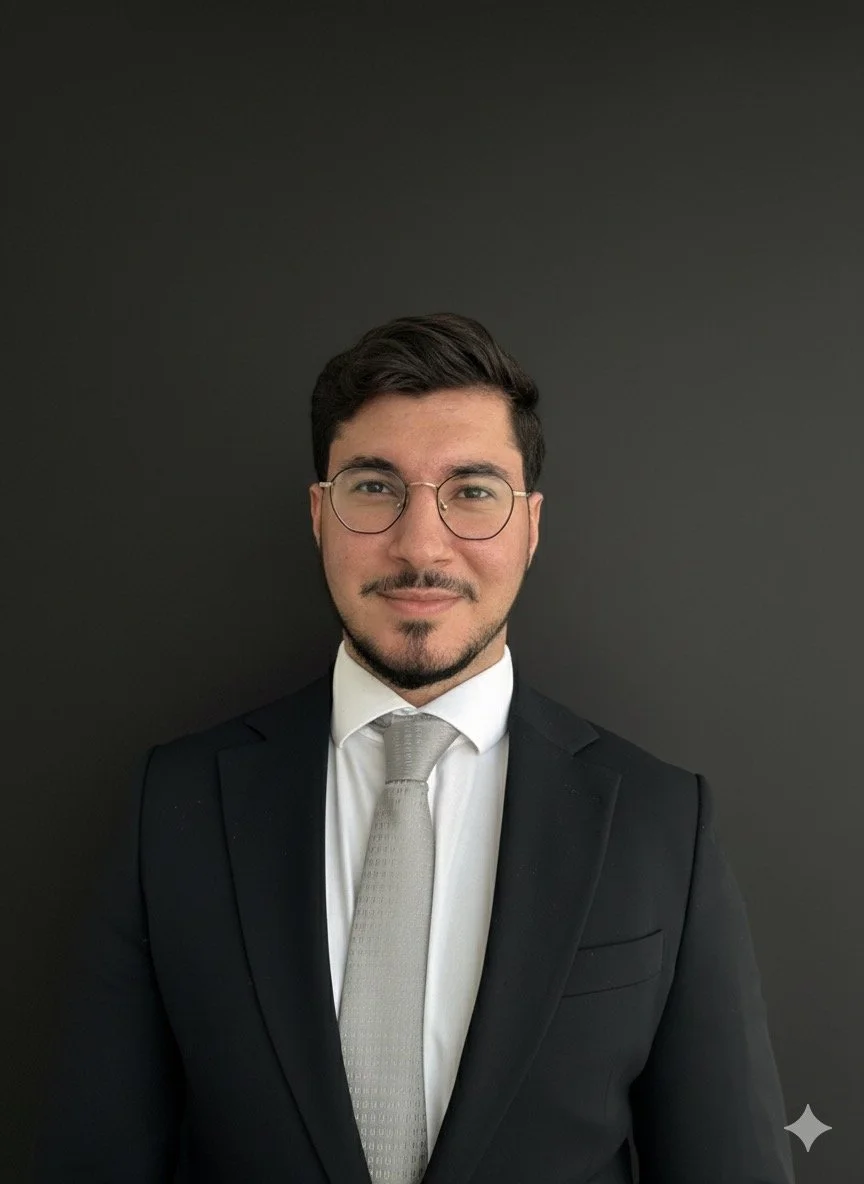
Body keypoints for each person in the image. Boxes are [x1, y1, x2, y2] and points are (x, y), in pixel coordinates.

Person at [32, 313, 796, 1183]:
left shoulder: (663, 822)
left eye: (472, 491)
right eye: (374, 487)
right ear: (320, 515)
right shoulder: (172, 805)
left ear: (531, 526)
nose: (421, 546)